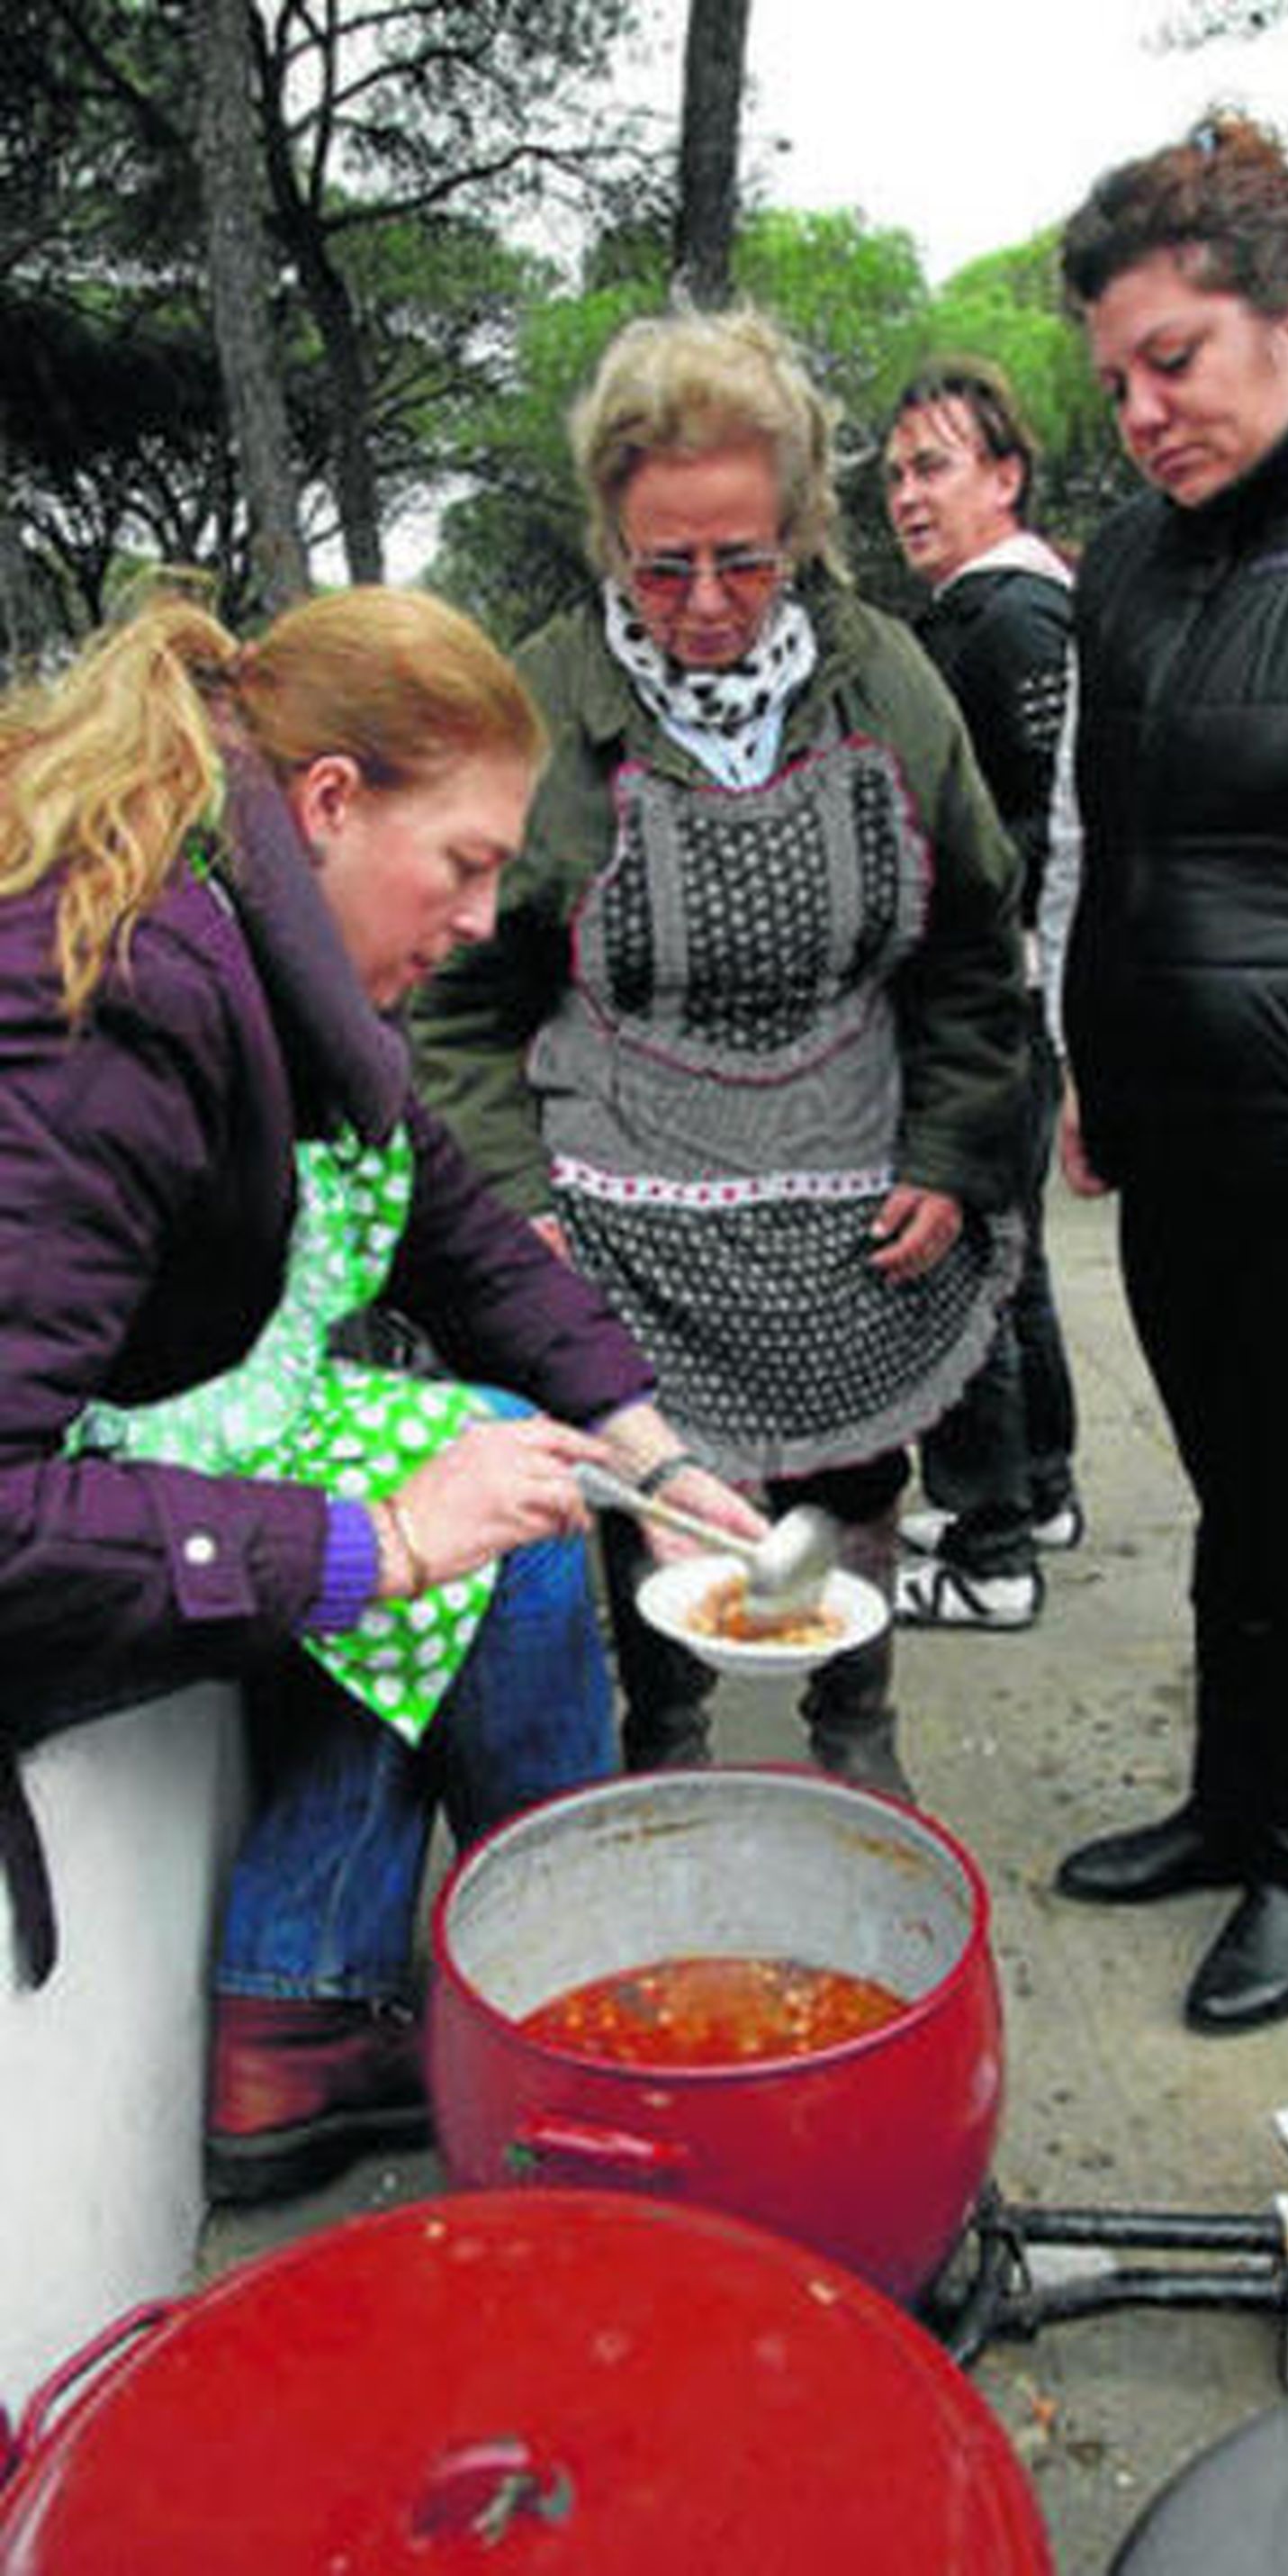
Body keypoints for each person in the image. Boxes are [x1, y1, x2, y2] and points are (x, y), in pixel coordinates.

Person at [0, 581, 763, 2201]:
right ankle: (572, 1993)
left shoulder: (266, 944)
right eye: (467, 864)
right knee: (474, 1492)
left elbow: (463, 1239)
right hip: (54, 1544)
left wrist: (656, 1452)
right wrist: (381, 1546)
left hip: (157, 1436)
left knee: (530, 1466)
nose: (487, 919)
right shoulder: (117, 995)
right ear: (330, 802)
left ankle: (311, 2000)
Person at [411, 303, 1029, 1796]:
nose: (703, 599)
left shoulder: (887, 684)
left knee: (850, 1471)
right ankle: (667, 1729)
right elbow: (458, 994)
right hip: (620, 1189)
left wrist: (953, 1149)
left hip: (852, 1177)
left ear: (804, 525)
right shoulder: (548, 700)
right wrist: (513, 1196)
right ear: (611, 534)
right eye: (662, 561)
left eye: (744, 557)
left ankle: (854, 1725)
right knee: (649, 1476)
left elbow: (971, 951)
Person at [1050, 113, 1288, 2032]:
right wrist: (1086, 1062)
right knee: (1229, 1498)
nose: (1134, 411)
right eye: (1112, 378)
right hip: (1179, 1136)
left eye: (1169, 363)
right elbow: (1108, 839)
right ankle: (1223, 1805)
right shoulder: (1130, 556)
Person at [883, 357, 1084, 1631]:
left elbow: (1028, 830)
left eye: (935, 467)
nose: (906, 496)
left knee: (967, 1267)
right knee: (1017, 1259)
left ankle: (988, 1548)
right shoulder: (997, 612)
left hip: (992, 999)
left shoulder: (1003, 622)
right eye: (896, 473)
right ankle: (1040, 1486)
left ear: (1005, 476)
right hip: (1016, 996)